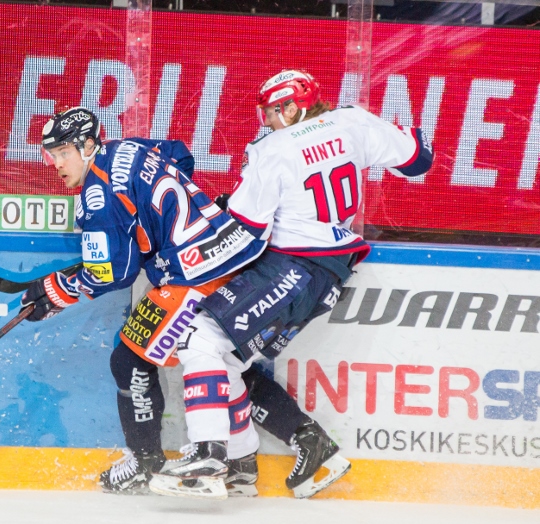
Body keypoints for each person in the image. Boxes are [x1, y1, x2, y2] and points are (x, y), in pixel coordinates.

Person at [21, 106, 348, 500]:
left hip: (192, 272)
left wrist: (59, 290)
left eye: (63, 153)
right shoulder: (128, 147)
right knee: (225, 364)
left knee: (129, 360)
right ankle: (275, 451)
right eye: (50, 154)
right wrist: (152, 227)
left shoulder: (97, 194)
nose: (56, 163)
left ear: (88, 144)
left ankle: (145, 463)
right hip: (227, 249)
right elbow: (179, 155)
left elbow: (115, 273)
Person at [148, 69, 434, 499]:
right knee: (229, 363)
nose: (266, 121)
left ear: (290, 105)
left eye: (271, 111)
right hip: (329, 274)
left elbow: (246, 229)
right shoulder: (352, 121)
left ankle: (209, 458)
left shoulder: (272, 149)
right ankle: (245, 468)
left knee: (199, 337)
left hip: (292, 267)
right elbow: (419, 159)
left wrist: (192, 260)